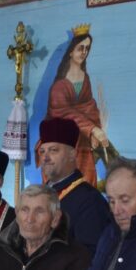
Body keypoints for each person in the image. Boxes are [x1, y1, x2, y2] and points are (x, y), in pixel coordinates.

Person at [43, 27, 113, 186]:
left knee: (86, 181)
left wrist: (95, 130)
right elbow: (65, 112)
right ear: (70, 51)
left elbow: (89, 106)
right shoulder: (59, 85)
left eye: (87, 48)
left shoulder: (84, 78)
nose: (84, 52)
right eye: (80, 48)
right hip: (61, 140)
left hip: (83, 137)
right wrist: (93, 129)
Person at [38, 117, 112, 259]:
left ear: (72, 154)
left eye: (53, 150)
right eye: (42, 151)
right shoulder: (37, 196)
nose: (45, 157)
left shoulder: (90, 201)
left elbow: (89, 258)